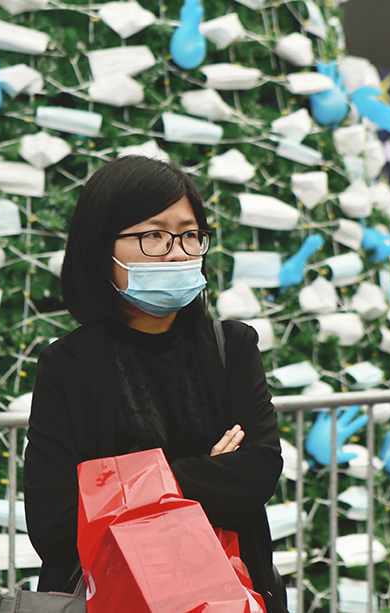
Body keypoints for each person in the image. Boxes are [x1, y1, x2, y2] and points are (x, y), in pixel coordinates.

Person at [24, 156, 287, 612]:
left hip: (235, 595)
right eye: (153, 235)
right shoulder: (67, 365)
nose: (177, 250)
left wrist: (126, 489)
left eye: (190, 234)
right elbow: (56, 521)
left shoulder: (233, 347)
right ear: (99, 246)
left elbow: (258, 470)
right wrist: (205, 473)